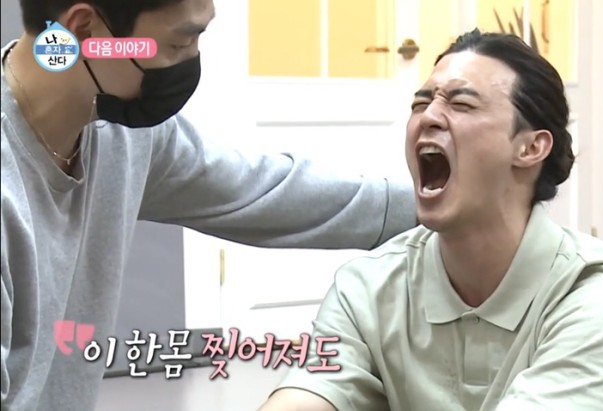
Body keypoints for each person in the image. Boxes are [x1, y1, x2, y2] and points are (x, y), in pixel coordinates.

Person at [259, 29, 603, 411]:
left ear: (530, 147)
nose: (428, 117)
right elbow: (307, 395)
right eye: (421, 103)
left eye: (461, 104)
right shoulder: (367, 289)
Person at [0, 0, 418, 410]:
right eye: (179, 44)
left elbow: (258, 189)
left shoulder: (122, 136)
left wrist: (429, 207)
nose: (190, 63)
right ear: (84, 31)